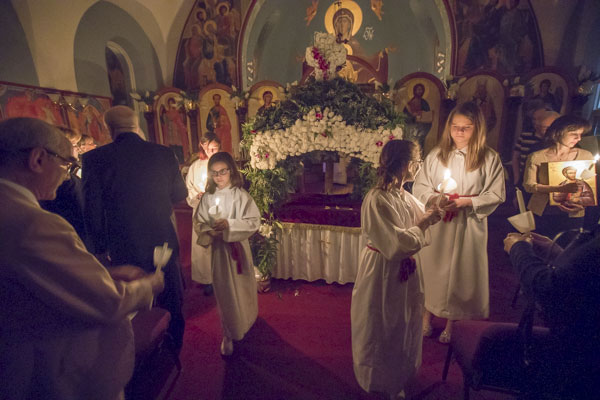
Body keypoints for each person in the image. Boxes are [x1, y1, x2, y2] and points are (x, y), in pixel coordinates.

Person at [0, 117, 164, 400]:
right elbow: (109, 302)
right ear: (38, 159)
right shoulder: (33, 224)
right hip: (51, 374)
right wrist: (149, 285)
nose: (67, 175)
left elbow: (32, 283)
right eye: (66, 164)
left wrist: (103, 273)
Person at [82, 105, 188, 351]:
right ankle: (172, 350)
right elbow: (179, 194)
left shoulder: (94, 159)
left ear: (110, 129)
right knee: (170, 295)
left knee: (134, 302)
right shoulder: (164, 154)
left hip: (123, 244)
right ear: (136, 124)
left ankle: (140, 352)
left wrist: (99, 249)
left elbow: (92, 210)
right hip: (162, 238)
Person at [351, 140, 442, 399]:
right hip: (382, 271)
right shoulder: (376, 199)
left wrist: (435, 210)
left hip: (405, 269)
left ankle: (398, 374)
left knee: (404, 321)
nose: (419, 167)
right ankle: (378, 378)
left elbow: (420, 216)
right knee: (382, 323)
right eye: (417, 162)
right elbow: (396, 244)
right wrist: (423, 224)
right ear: (404, 165)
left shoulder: (403, 194)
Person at [413, 101, 505, 343]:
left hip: (468, 224)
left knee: (459, 273)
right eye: (455, 127)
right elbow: (420, 185)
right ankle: (426, 315)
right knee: (434, 270)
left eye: (466, 127)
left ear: (478, 129)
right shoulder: (436, 154)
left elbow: (496, 194)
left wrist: (466, 203)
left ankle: (453, 322)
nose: (460, 132)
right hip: (439, 221)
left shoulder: (489, 158)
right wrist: (434, 197)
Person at [503, 230, 600, 399]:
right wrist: (558, 253)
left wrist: (518, 249)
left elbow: (547, 288)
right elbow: (586, 273)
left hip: (580, 357)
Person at [194, 151, 260, 356]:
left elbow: (253, 222)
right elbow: (199, 222)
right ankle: (229, 333)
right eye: (214, 173)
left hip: (238, 250)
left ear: (231, 170)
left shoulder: (241, 196)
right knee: (225, 293)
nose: (219, 177)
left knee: (243, 288)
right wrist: (211, 231)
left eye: (222, 171)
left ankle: (247, 320)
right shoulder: (208, 198)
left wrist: (230, 225)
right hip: (220, 254)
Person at [522, 115, 593, 241]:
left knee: (566, 251)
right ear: (558, 133)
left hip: (573, 213)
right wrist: (558, 188)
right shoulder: (537, 157)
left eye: (581, 134)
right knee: (540, 248)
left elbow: (589, 185)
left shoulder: (585, 156)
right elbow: (528, 186)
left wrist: (583, 204)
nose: (579, 138)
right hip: (542, 213)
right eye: (574, 134)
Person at [39, 126, 88, 247]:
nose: (77, 149)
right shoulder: (61, 180)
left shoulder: (68, 176)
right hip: (71, 239)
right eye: (73, 144)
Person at [186, 132, 221, 294]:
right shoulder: (196, 167)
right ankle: (206, 279)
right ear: (203, 147)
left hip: (219, 209)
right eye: (210, 150)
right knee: (204, 245)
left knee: (219, 244)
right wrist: (197, 196)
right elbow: (189, 188)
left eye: (216, 149)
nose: (213, 153)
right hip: (201, 210)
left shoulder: (223, 165)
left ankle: (222, 277)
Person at [511, 109, 559, 188]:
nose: (548, 132)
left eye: (549, 128)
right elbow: (518, 159)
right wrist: (517, 179)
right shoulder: (535, 146)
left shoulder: (566, 146)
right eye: (544, 128)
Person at [403, 83, 432, 152]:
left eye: (421, 90)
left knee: (419, 147)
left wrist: (421, 113)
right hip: (411, 129)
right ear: (414, 91)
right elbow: (404, 116)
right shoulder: (410, 103)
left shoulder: (424, 103)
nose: (420, 91)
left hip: (421, 129)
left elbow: (428, 116)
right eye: (418, 90)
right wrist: (412, 116)